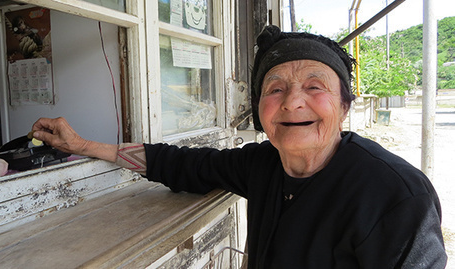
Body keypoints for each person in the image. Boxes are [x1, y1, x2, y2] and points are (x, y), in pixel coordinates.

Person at [32, 25, 447, 268]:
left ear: (343, 106)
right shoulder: (263, 164)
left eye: (314, 87)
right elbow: (175, 162)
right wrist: (84, 144)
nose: (292, 101)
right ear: (260, 110)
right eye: (275, 87)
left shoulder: (397, 196)